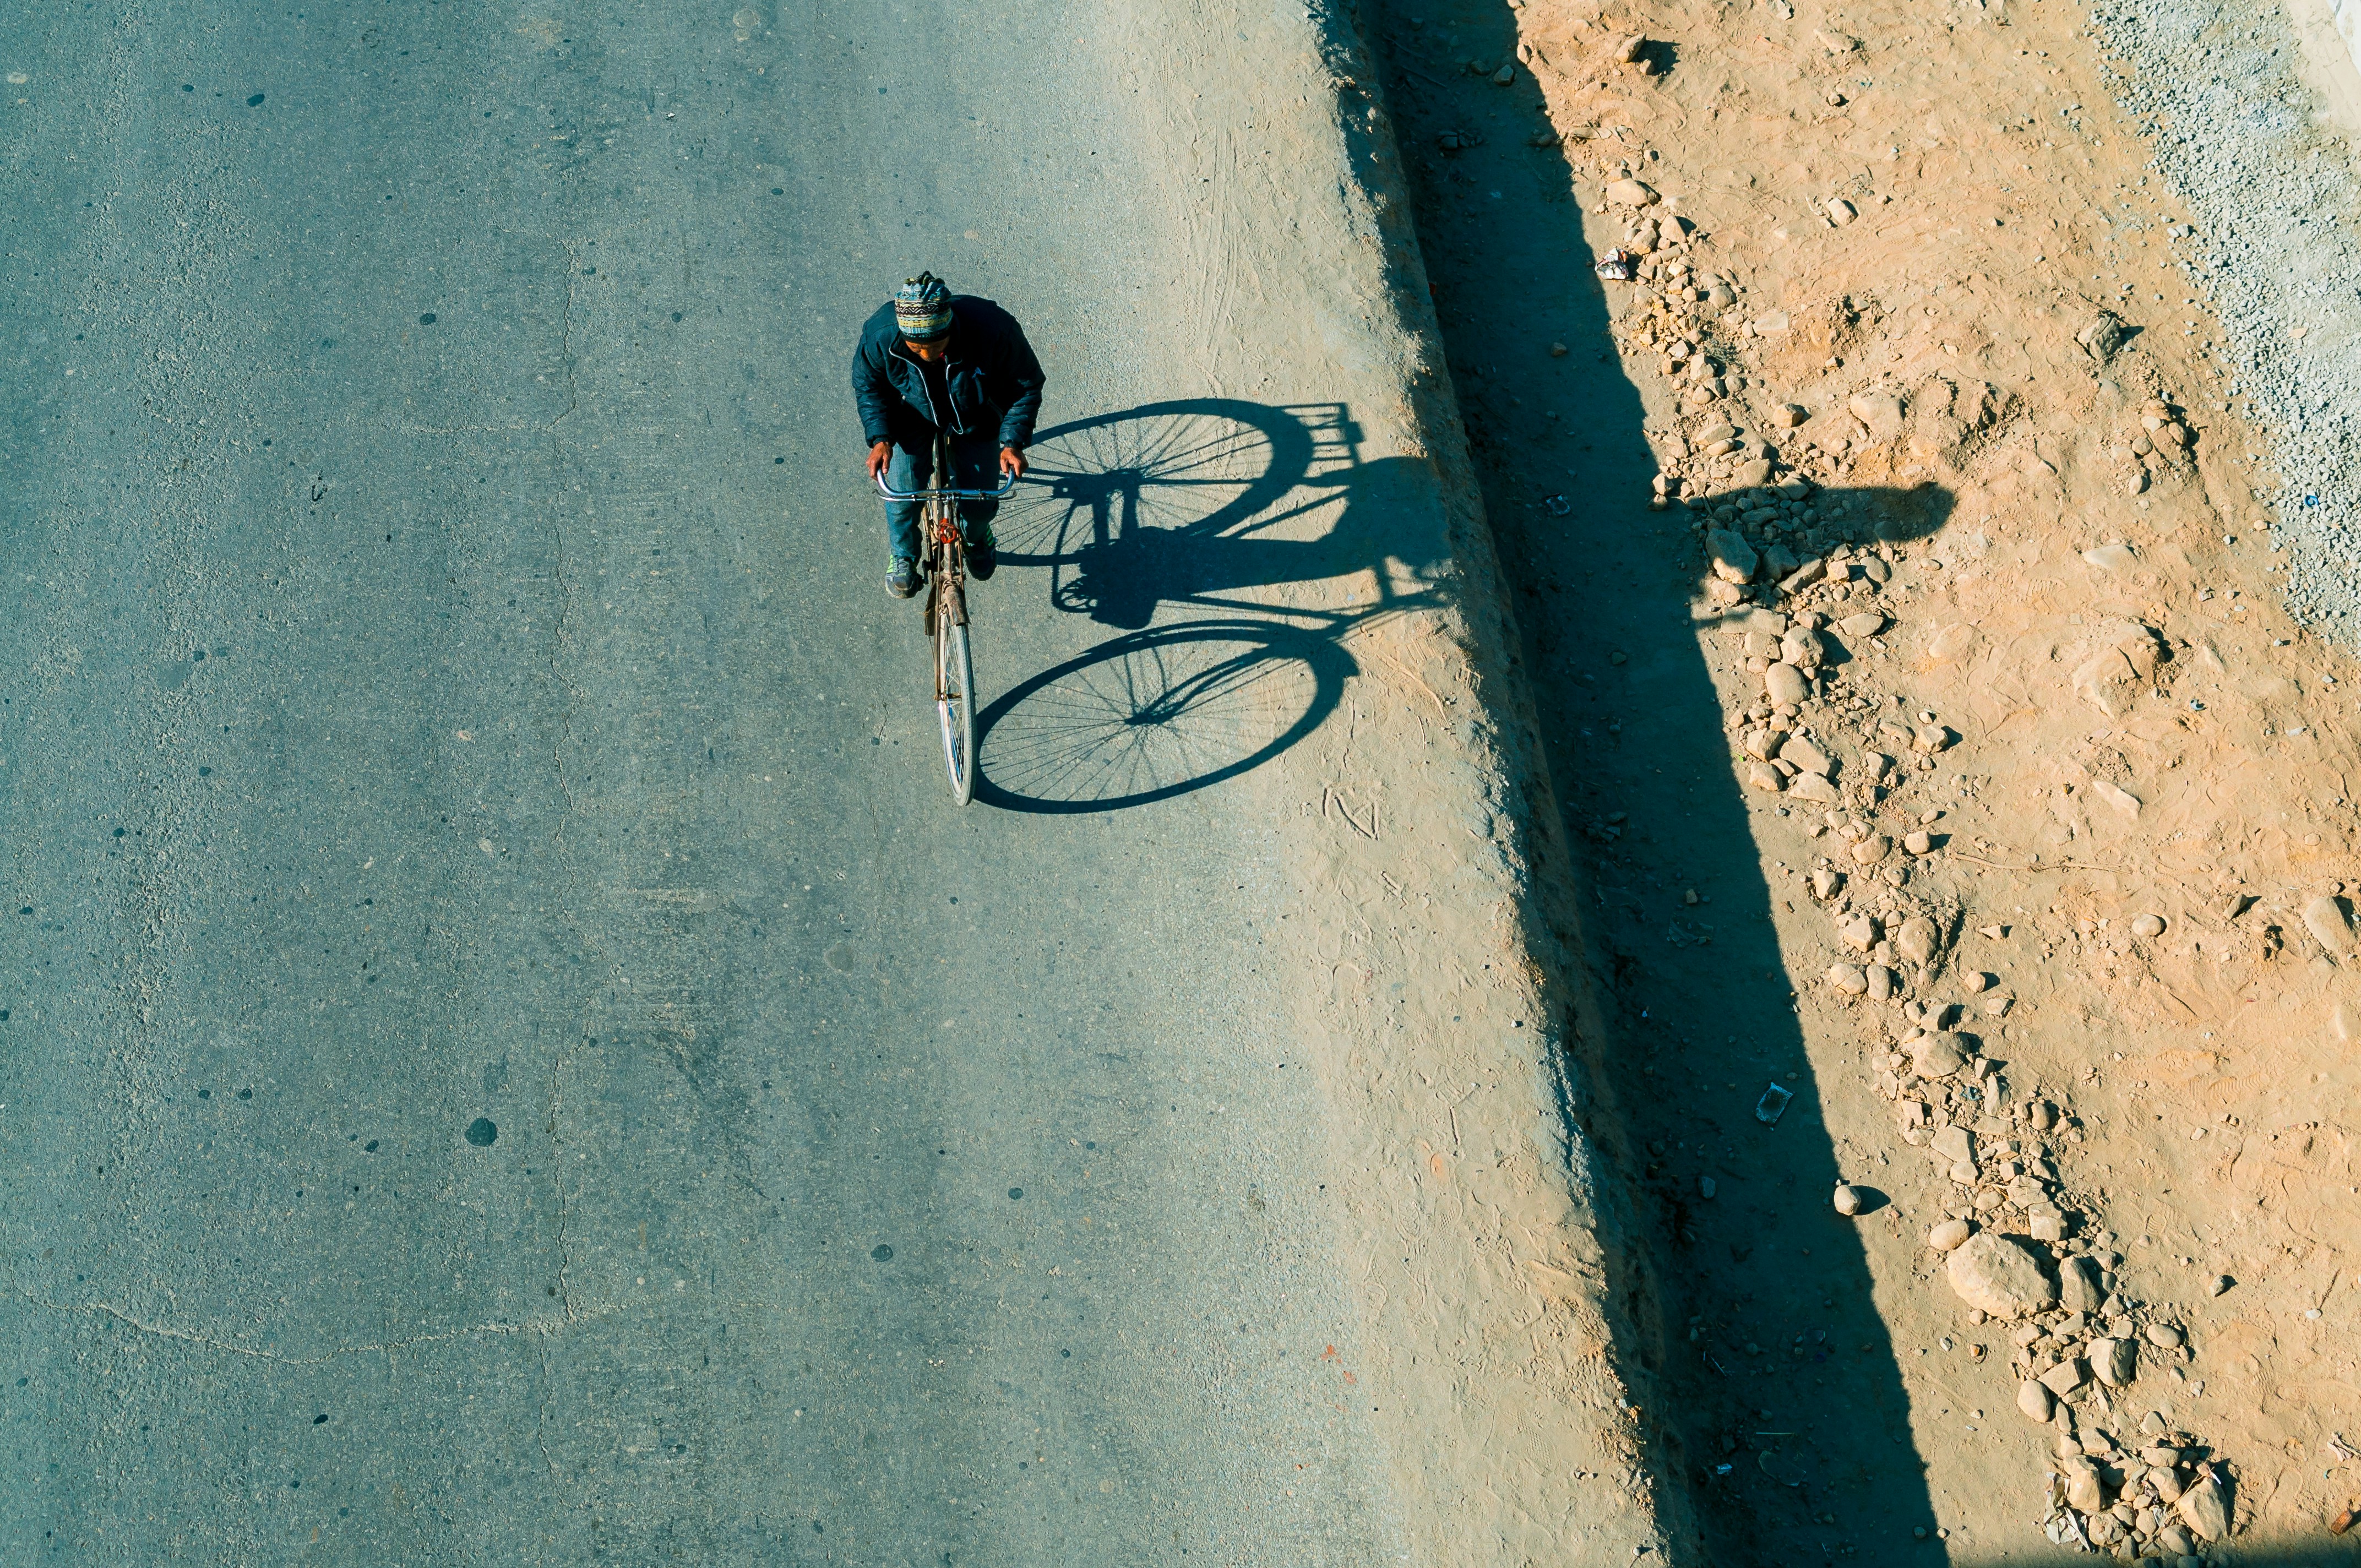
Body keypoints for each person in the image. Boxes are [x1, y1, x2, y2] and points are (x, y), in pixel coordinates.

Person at [851, 272, 1045, 599]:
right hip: (911, 414)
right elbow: (868, 387)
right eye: (915, 348)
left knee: (981, 504)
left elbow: (1026, 384)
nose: (926, 356)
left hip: (976, 415)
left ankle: (977, 538)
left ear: (950, 328)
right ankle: (903, 555)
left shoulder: (994, 330)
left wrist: (1012, 441)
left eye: (935, 346)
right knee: (900, 496)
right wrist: (881, 438)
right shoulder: (879, 335)